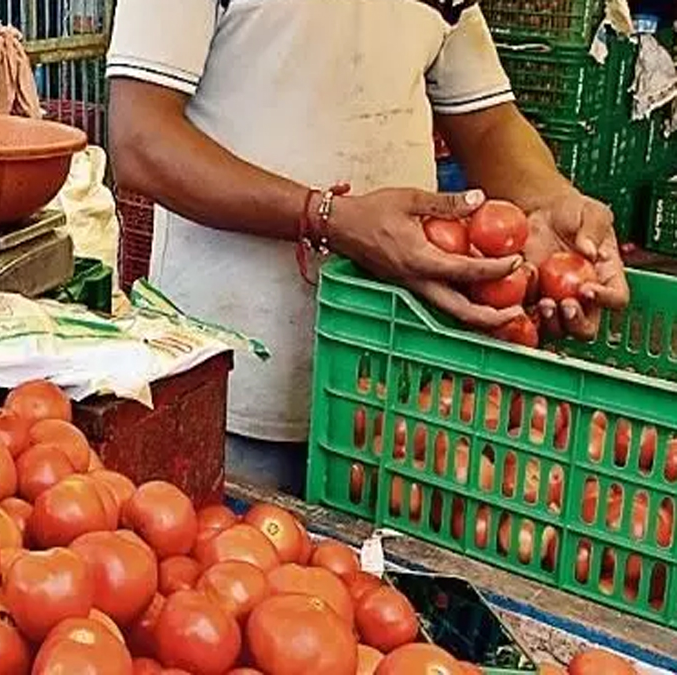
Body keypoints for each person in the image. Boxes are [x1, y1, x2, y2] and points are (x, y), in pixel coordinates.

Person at [105, 0, 630, 494]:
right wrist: (326, 217)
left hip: (391, 388)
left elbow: (488, 122)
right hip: (231, 378)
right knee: (236, 568)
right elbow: (141, 141)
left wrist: (552, 201)